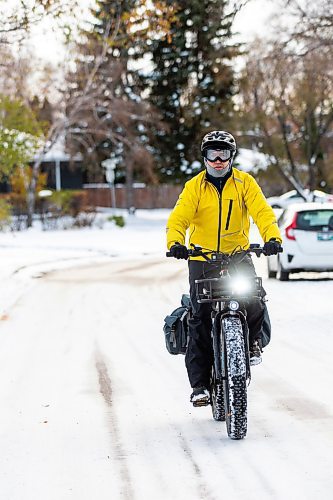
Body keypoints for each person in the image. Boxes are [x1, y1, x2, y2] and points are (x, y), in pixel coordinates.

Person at [166, 130, 282, 407]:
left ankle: (253, 341)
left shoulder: (245, 183)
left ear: (232, 157)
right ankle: (200, 387)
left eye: (224, 154)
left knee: (253, 297)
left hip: (237, 255)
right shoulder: (194, 187)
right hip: (202, 259)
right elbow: (179, 217)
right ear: (204, 157)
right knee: (199, 317)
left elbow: (262, 212)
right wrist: (176, 243)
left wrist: (272, 238)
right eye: (212, 155)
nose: (218, 161)